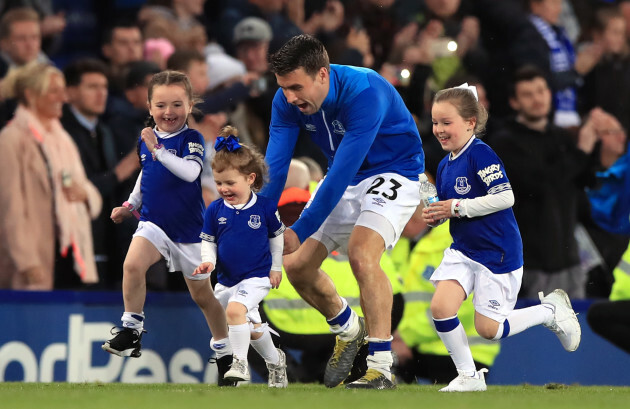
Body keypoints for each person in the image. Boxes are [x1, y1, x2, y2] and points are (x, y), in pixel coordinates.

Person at [263, 34, 425, 389]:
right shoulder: (285, 100)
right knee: (297, 266)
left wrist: (298, 229)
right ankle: (348, 329)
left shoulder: (365, 91)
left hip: (394, 171)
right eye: (283, 88)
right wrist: (259, 217)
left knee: (362, 254)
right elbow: (274, 166)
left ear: (322, 74)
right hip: (345, 176)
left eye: (296, 87)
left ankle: (381, 367)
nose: (289, 97)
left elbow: (340, 174)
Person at [423, 84, 581, 392]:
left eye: (446, 122)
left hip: (498, 253)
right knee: (441, 308)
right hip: (464, 251)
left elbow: (505, 197)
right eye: (435, 122)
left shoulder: (481, 154)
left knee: (489, 331)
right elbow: (450, 210)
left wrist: (457, 207)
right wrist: (436, 214)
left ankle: (551, 311)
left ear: (470, 123)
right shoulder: (444, 165)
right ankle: (469, 376)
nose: (439, 129)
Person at [101, 70, 232, 387]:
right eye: (161, 105)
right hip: (154, 222)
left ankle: (227, 353)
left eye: (177, 104)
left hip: (188, 232)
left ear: (190, 106)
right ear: (149, 106)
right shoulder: (147, 139)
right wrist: (131, 206)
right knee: (132, 265)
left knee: (204, 298)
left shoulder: (193, 139)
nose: (169, 112)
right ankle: (131, 330)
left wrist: (158, 149)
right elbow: (146, 176)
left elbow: (189, 173)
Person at [490, 66, 599, 299]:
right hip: (532, 264)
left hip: (570, 260)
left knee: (575, 332)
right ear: (514, 102)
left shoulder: (561, 137)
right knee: (540, 333)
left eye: (541, 91)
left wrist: (596, 142)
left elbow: (584, 180)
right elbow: (539, 184)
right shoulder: (504, 143)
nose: (537, 99)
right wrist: (581, 152)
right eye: (528, 94)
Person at [194, 125, 288, 388]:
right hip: (226, 280)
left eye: (230, 183)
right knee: (253, 328)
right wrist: (209, 262)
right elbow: (208, 242)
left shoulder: (266, 208)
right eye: (219, 183)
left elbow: (276, 237)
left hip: (257, 277)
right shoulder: (214, 210)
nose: (223, 188)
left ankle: (239, 364)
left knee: (235, 311)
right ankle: (275, 361)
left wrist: (276, 268)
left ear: (250, 178)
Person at [0, 62, 101, 290]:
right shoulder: (10, 140)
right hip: (33, 259)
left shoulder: (62, 138)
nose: (63, 98)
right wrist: (27, 263)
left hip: (72, 255)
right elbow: (9, 209)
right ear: (30, 94)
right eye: (54, 91)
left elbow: (88, 191)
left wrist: (83, 194)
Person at [61, 58, 140, 289]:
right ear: (70, 93)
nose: (101, 93)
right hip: (77, 240)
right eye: (92, 87)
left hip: (106, 238)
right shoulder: (63, 133)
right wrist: (121, 171)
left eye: (104, 87)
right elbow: (76, 189)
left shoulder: (104, 131)